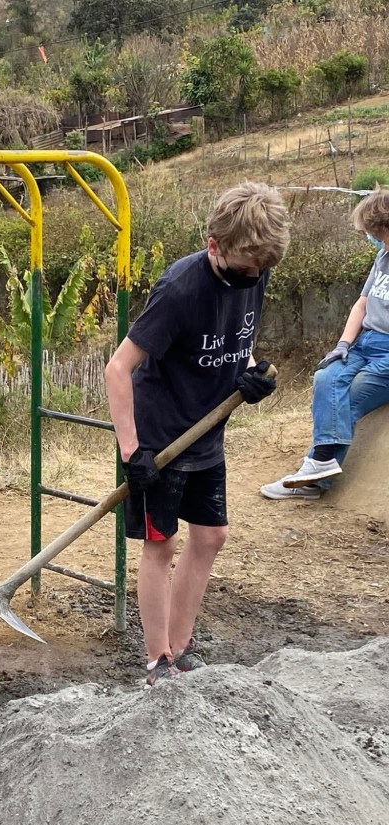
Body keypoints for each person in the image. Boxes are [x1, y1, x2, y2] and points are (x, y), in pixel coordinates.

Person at [105, 181, 290, 685]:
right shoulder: (179, 289)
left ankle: (182, 648)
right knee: (161, 546)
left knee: (211, 536)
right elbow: (117, 369)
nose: (252, 279)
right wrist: (133, 452)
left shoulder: (255, 269)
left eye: (260, 271)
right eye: (244, 270)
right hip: (160, 440)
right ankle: (157, 661)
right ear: (215, 246)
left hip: (207, 432)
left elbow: (234, 342)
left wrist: (250, 374)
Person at [261, 189, 389, 500]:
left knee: (350, 397)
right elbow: (362, 303)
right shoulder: (383, 257)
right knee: (325, 377)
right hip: (365, 342)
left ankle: (313, 477)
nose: (374, 239)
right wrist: (343, 344)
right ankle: (317, 470)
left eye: (376, 233)